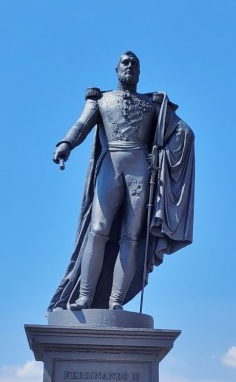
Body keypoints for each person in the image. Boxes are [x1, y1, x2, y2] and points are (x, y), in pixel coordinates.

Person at [48, 52, 195, 312]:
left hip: (140, 167)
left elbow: (183, 131)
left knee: (131, 235)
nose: (130, 67)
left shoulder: (153, 104)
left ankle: (115, 301)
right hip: (110, 163)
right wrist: (66, 143)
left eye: (134, 64)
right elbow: (81, 125)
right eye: (125, 63)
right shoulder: (101, 99)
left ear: (139, 73)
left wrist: (163, 149)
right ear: (116, 70)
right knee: (98, 228)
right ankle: (85, 296)